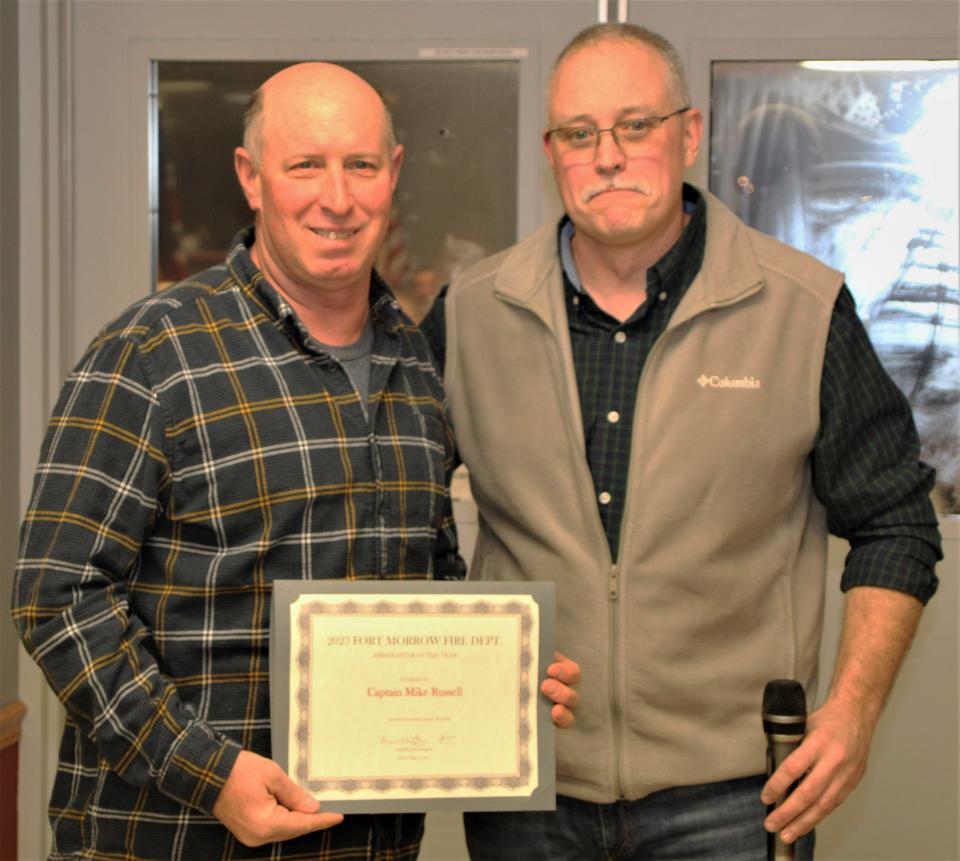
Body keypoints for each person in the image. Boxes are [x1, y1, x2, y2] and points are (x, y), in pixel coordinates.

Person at [11, 62, 578, 861]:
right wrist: (206, 772)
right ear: (252, 177)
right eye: (305, 164)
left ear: (395, 174)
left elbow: (428, 574)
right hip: (173, 839)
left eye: (361, 165)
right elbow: (57, 595)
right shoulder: (153, 354)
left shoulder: (414, 362)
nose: (337, 198)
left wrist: (498, 676)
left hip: (368, 845)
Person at [421, 23, 943, 860]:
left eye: (637, 125)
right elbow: (392, 509)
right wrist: (457, 651)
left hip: (737, 799)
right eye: (579, 134)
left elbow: (897, 525)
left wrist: (850, 711)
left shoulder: (799, 311)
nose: (609, 156)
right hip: (529, 791)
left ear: (689, 134)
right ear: (551, 150)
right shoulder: (470, 314)